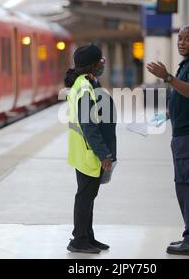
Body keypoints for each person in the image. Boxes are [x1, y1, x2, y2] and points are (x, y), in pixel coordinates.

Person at [146, 25, 189, 256]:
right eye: (180, 38)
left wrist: (167, 77)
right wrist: (164, 115)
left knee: (186, 184)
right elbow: (187, 98)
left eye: (188, 39)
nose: (182, 42)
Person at [65, 43, 117, 254]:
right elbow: (89, 125)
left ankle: (88, 236)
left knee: (89, 195)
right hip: (88, 152)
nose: (103, 63)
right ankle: (78, 240)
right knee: (85, 196)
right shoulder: (84, 87)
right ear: (93, 65)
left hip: (86, 150)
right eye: (100, 60)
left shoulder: (88, 83)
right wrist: (103, 153)